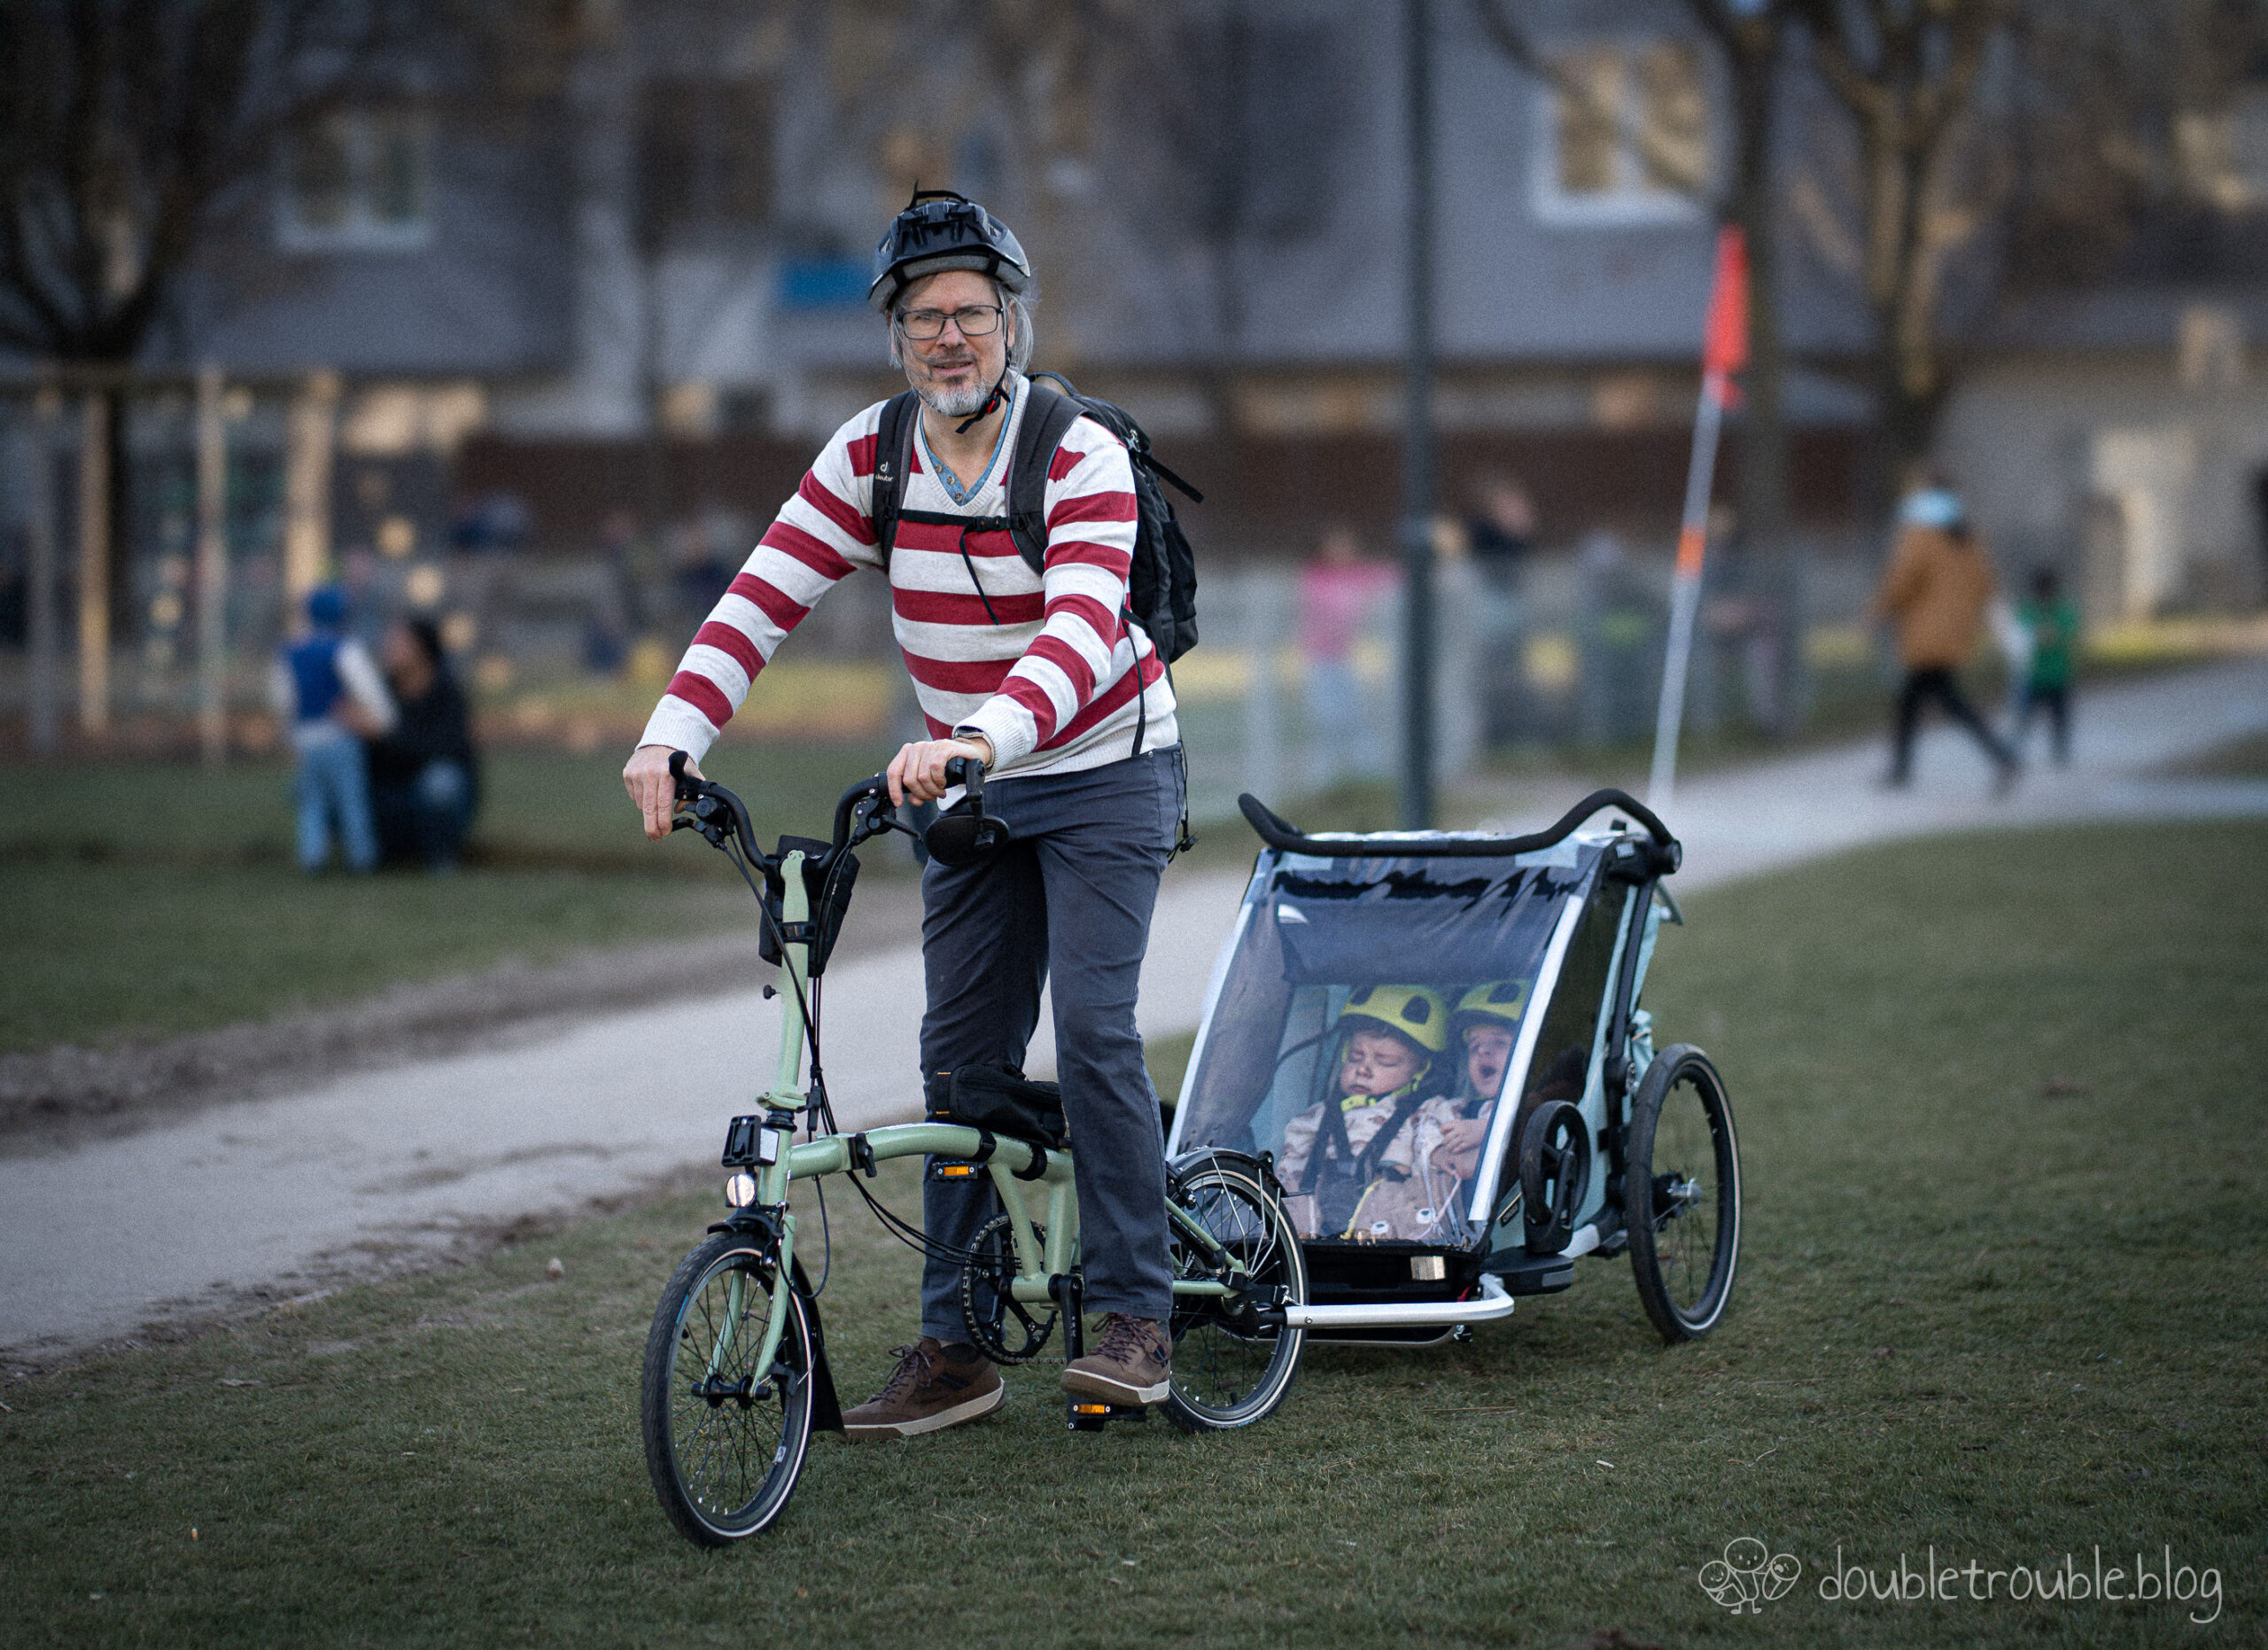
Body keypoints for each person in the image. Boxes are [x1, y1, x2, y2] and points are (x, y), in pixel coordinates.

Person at [622, 190, 1184, 1438]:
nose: (950, 338)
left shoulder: (1076, 452)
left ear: (1013, 323)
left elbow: (1083, 627)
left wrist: (983, 736)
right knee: (956, 1064)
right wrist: (674, 732)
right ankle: (957, 1346)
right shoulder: (869, 458)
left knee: (1094, 1027)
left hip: (1099, 766)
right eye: (925, 317)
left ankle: (1140, 1318)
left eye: (972, 315)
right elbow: (759, 598)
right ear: (895, 336)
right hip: (968, 788)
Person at [1867, 483, 2019, 792]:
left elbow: (1902, 582)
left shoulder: (1922, 540)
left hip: (1926, 636)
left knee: (1943, 701)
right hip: (1954, 634)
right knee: (1918, 700)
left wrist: (1875, 614)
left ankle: (2002, 756)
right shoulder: (1969, 544)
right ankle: (1902, 768)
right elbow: (1986, 586)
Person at [1274, 986, 1449, 1241]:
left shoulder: (1426, 1115)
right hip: (1314, 1244)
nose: (1363, 1070)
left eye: (1385, 1060)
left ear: (1421, 1069)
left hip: (1392, 1243)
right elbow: (1287, 1183)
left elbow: (1434, 1175)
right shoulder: (1312, 1120)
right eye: (1356, 1057)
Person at [269, 584, 394, 874]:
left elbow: (282, 698)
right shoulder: (344, 648)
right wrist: (384, 719)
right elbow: (367, 689)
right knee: (351, 798)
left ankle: (312, 857)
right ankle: (362, 857)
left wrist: (289, 734)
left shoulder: (291, 651)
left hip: (306, 737)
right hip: (339, 734)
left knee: (313, 802)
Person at [368, 618, 478, 871]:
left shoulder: (446, 693)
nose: (388, 646)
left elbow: (447, 747)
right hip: (391, 797)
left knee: (441, 783)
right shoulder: (378, 692)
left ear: (421, 649)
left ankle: (440, 857)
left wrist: (384, 736)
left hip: (435, 802)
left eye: (398, 642)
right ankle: (373, 853)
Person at [1297, 524, 1396, 790]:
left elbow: (1394, 580)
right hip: (1323, 658)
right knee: (1327, 719)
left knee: (1357, 717)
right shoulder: (1317, 577)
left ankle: (1369, 776)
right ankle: (1325, 779)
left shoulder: (1360, 574)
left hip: (1350, 658)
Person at [2012, 566, 2078, 767]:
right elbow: (2020, 637)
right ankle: (2014, 752)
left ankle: (2060, 752)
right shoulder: (2027, 610)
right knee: (2024, 716)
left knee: (2059, 718)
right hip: (2033, 675)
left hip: (2058, 674)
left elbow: (2068, 634)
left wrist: (2048, 635)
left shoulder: (2063, 610)